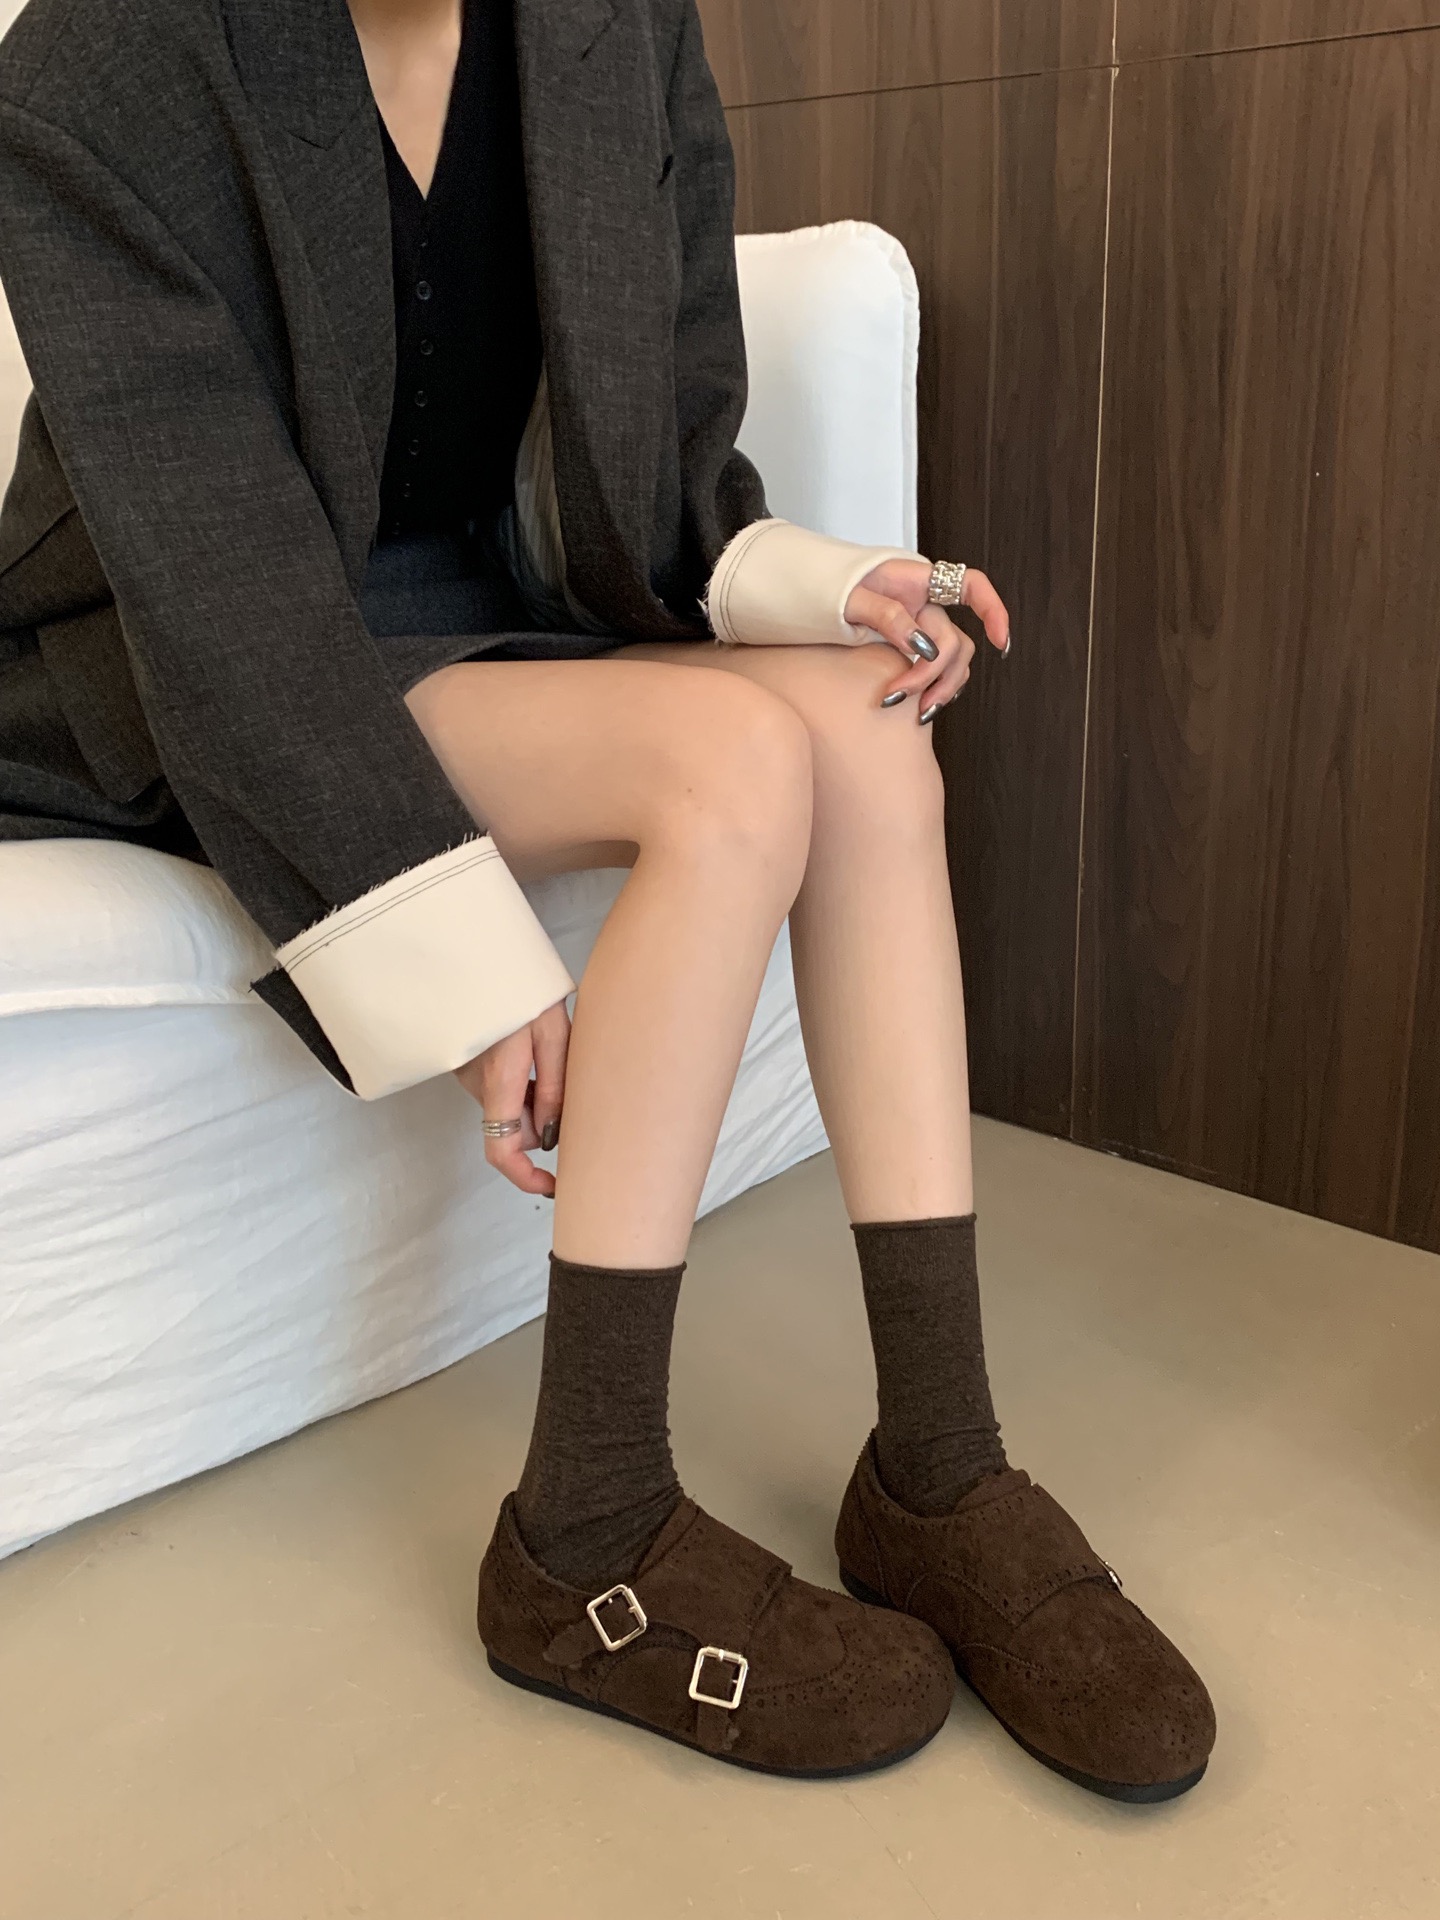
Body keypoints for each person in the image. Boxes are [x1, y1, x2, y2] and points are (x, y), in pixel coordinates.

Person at [0, 0, 1215, 1796]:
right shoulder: (92, 64)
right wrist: (446, 944)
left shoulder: (612, 22)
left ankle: (940, 1467)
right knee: (727, 771)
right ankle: (586, 1526)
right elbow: (216, 577)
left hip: (493, 612)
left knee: (869, 732)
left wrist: (823, 583)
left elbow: (658, 449)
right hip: (195, 664)